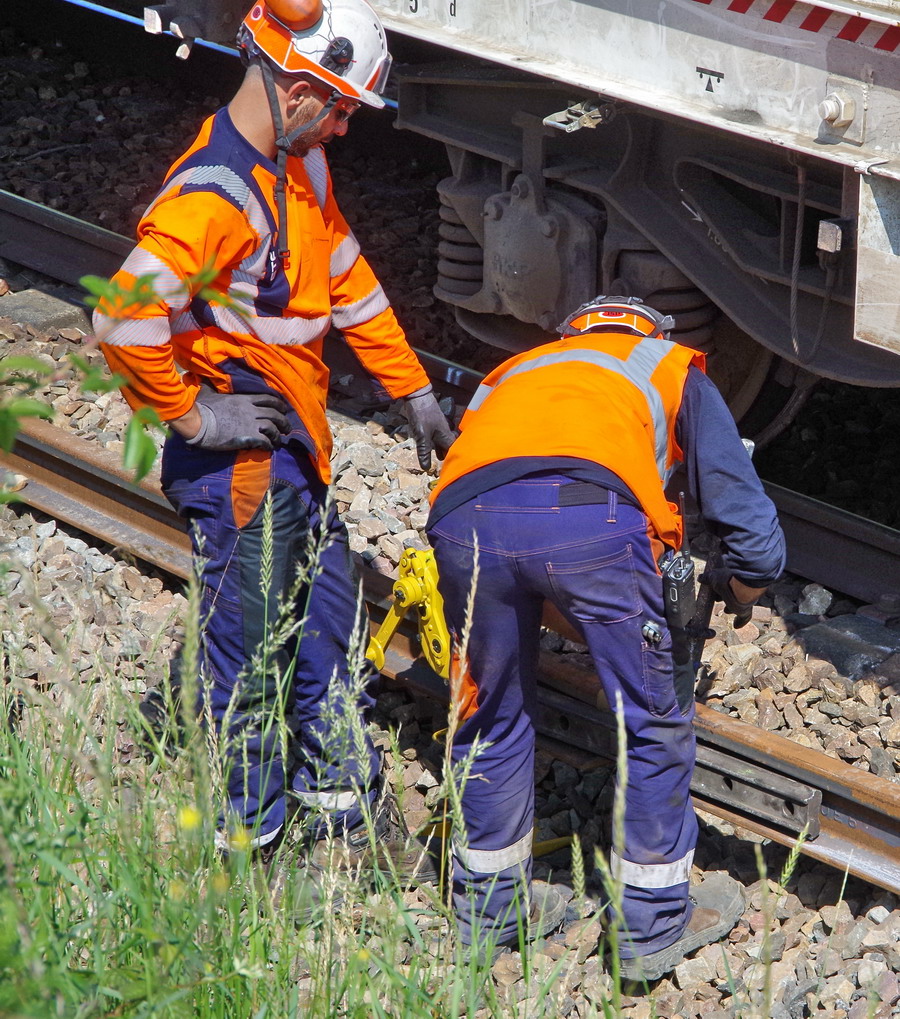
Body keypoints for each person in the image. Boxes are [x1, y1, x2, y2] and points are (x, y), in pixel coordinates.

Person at [92, 0, 454, 871]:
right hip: (243, 459)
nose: (343, 127)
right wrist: (194, 415)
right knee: (250, 665)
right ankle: (248, 855)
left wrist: (410, 386)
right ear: (296, 91)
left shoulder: (303, 166)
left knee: (325, 624)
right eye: (339, 108)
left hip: (291, 446)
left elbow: (347, 278)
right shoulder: (215, 196)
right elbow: (121, 316)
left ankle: (339, 822)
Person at [425, 295, 786, 976]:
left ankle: (488, 914)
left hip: (464, 521)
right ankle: (650, 927)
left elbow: (511, 507)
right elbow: (757, 545)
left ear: (570, 333)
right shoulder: (669, 366)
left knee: (489, 712)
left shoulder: (519, 369)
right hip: (593, 519)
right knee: (651, 720)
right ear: (654, 331)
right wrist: (734, 591)